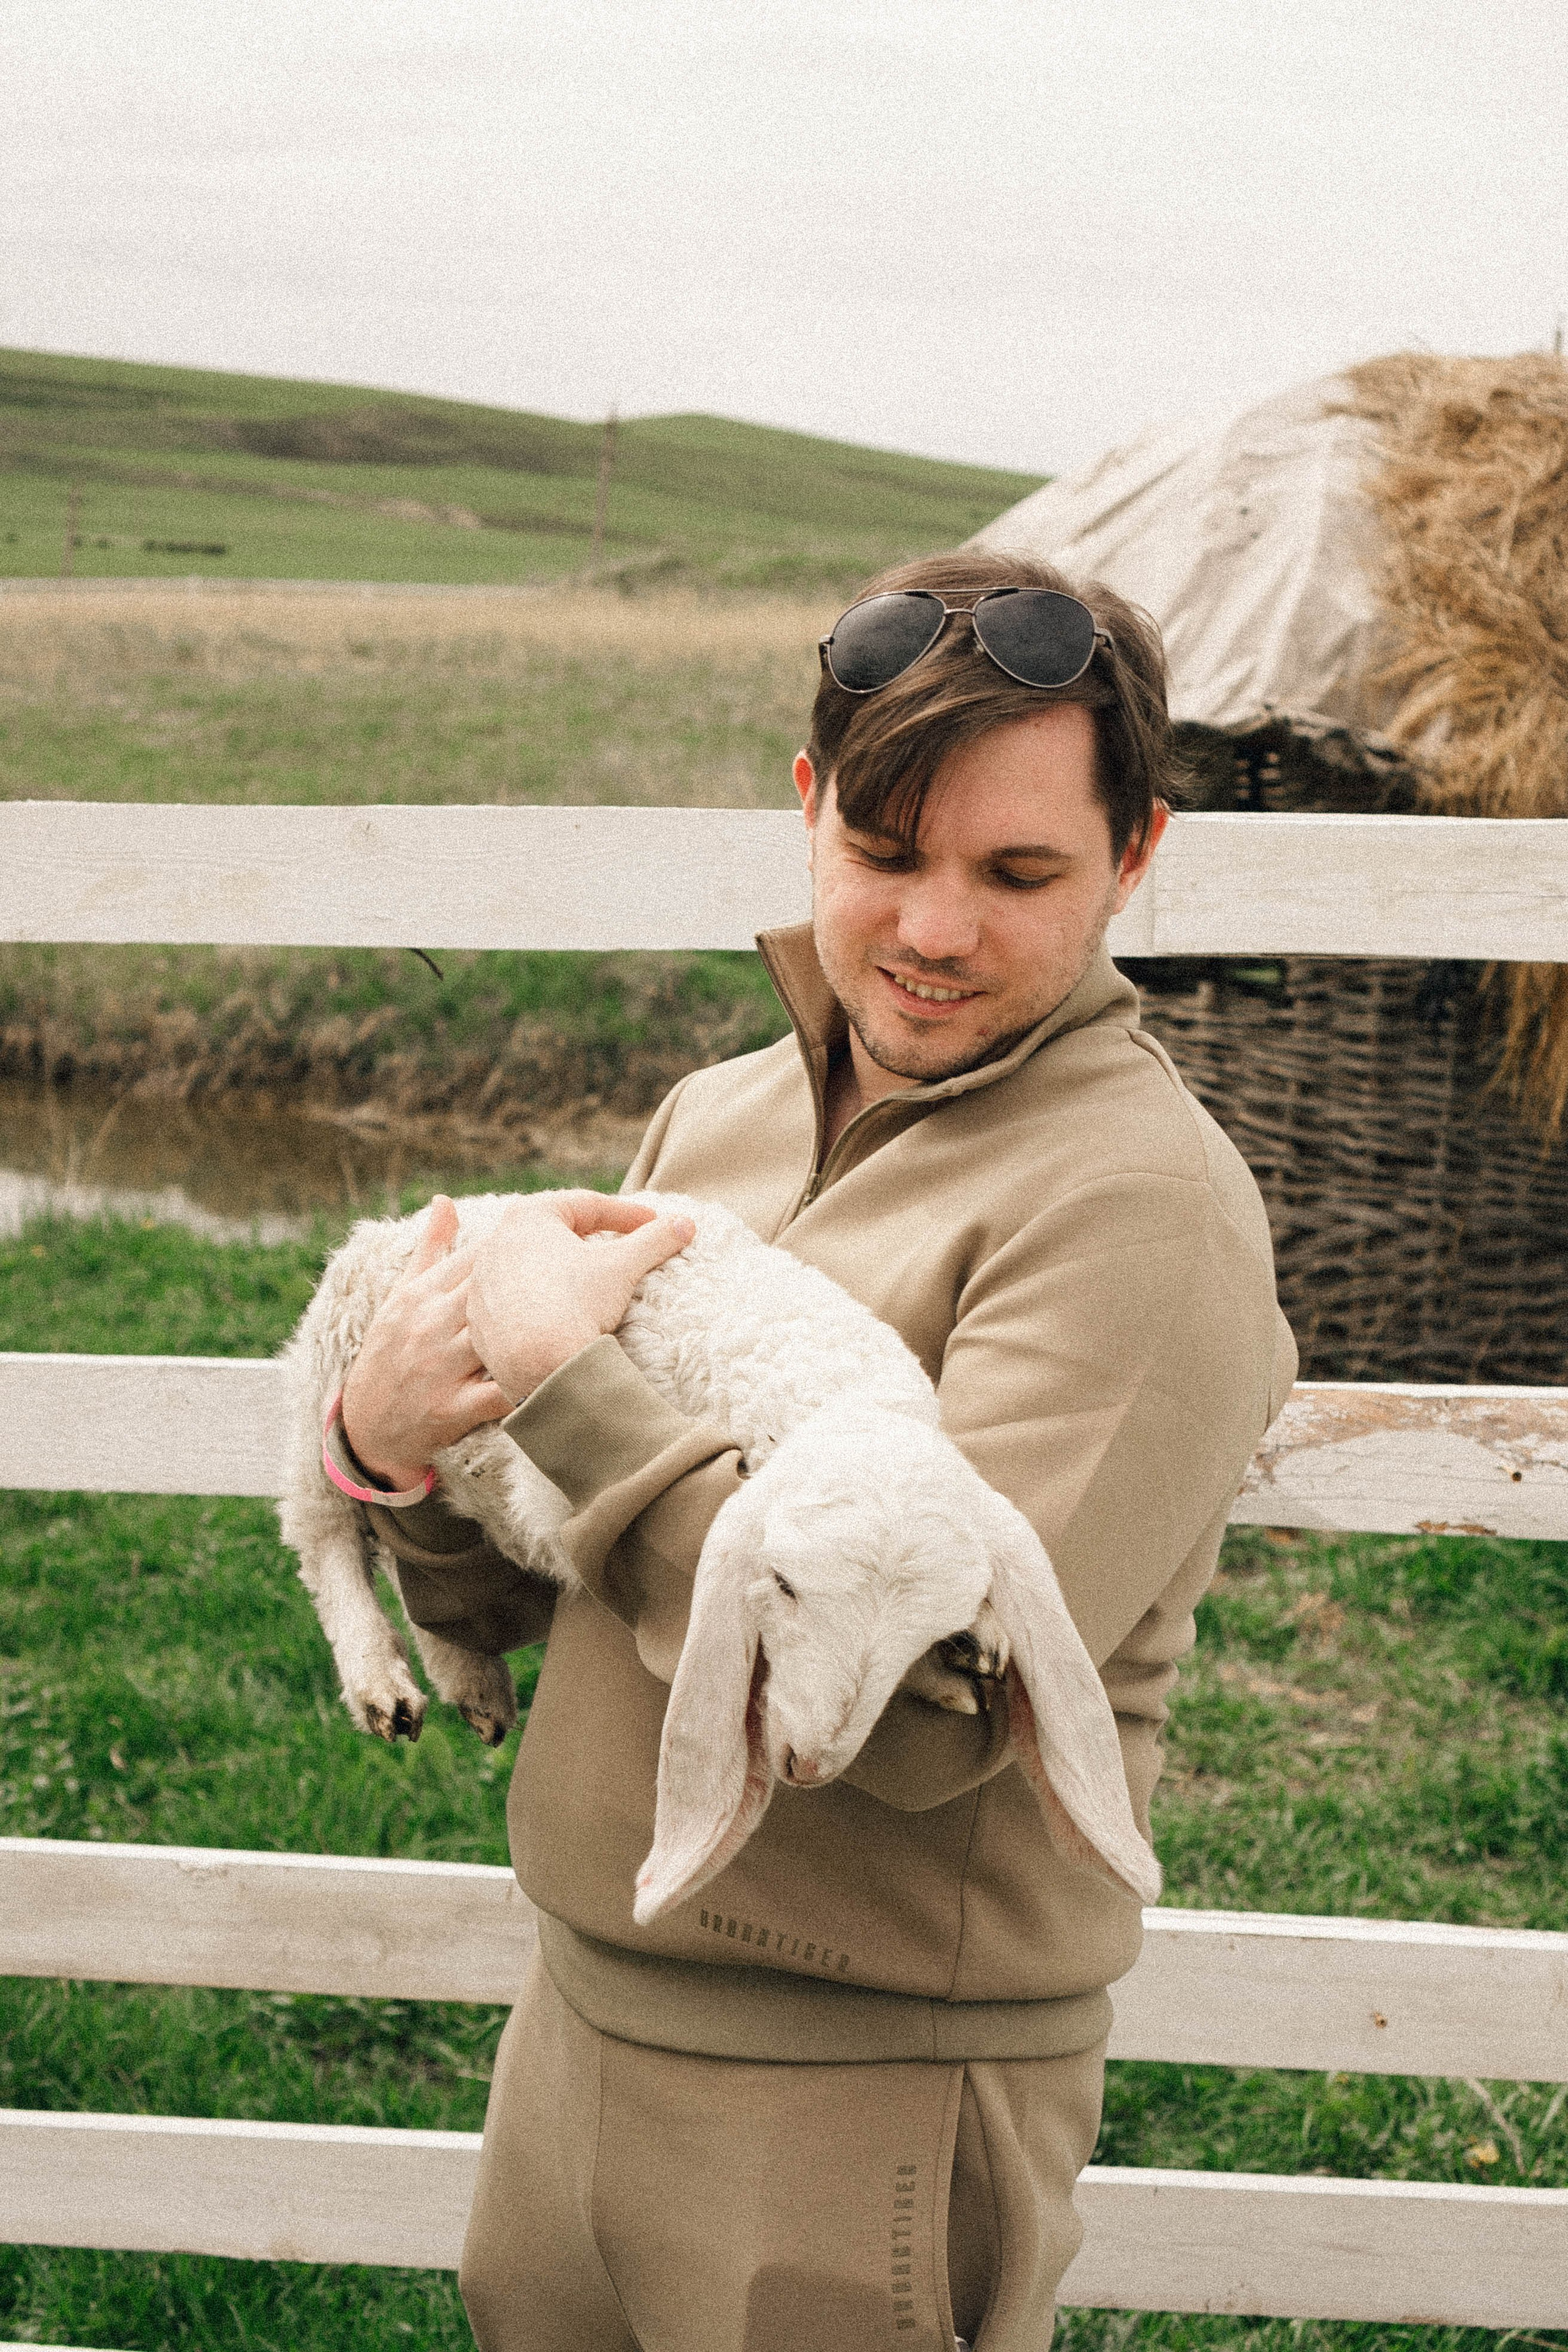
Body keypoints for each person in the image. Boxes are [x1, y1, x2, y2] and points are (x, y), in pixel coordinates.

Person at [335, 548, 1297, 2352]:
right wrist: (403, 1467)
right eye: (883, 854)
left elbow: (932, 1710)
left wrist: (561, 1377)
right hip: (579, 2030)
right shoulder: (723, 1113)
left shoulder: (1143, 1208)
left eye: (1019, 873)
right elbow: (564, 1559)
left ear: (1138, 855)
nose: (934, 929)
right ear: (806, 810)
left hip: (859, 2096)